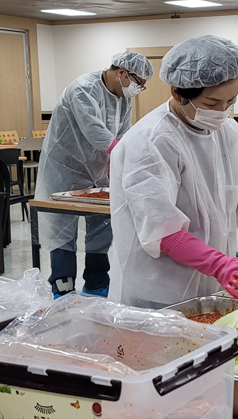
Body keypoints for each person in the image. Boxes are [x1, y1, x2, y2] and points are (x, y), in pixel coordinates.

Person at [108, 36, 238, 309]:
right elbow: (161, 228)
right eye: (211, 103)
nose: (221, 112)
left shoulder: (228, 131)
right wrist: (218, 263)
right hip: (158, 290)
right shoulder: (150, 140)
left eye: (230, 101)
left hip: (211, 285)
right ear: (177, 93)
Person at [35, 51, 154, 299]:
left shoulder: (123, 96)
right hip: (64, 168)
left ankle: (97, 282)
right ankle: (62, 286)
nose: (137, 88)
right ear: (122, 72)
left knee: (102, 226)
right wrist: (118, 152)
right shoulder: (83, 89)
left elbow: (123, 132)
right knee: (62, 229)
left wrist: (121, 160)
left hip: (98, 170)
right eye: (138, 82)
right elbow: (93, 129)